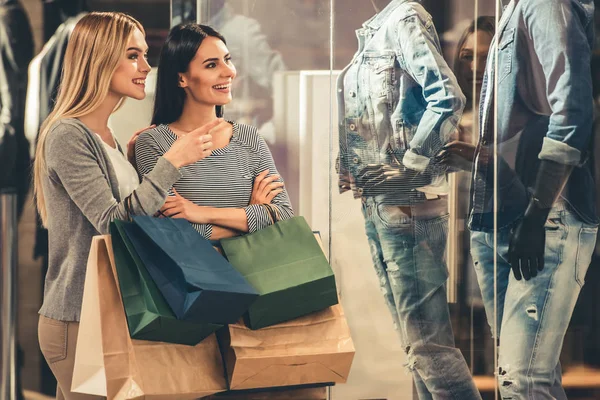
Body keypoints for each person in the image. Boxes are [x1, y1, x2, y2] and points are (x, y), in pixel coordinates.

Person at [33, 12, 219, 399]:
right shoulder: (69, 135)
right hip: (78, 319)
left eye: (145, 56)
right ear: (99, 60)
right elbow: (114, 225)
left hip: (108, 316)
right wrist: (172, 161)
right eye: (133, 55)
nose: (146, 67)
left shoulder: (108, 138)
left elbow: (143, 214)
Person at [444, 0, 598, 397]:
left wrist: (537, 212)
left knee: (522, 378)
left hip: (543, 215)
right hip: (507, 211)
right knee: (529, 377)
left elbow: (573, 112)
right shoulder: (515, 9)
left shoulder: (545, 6)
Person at [336, 0, 481, 398]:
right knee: (415, 346)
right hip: (381, 201)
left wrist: (411, 164)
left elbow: (448, 98)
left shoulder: (405, 18)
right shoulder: (375, 29)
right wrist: (348, 160)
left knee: (427, 346)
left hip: (406, 201)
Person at [135, 23, 292, 241]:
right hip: (190, 274)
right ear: (182, 78)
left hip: (259, 274)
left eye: (227, 59)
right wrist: (251, 216)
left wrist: (199, 212)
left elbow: (283, 216)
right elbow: (173, 233)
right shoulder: (153, 143)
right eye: (211, 65)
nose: (229, 72)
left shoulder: (249, 137)